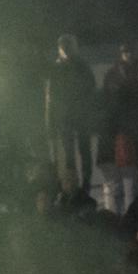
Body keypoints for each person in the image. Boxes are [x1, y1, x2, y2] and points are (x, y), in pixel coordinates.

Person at [97, 42, 138, 212]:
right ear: (121, 54)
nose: (128, 54)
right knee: (130, 170)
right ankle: (133, 205)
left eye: (131, 51)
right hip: (125, 126)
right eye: (126, 52)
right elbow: (109, 97)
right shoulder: (114, 73)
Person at [44, 34, 96, 189]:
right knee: (69, 154)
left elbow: (91, 91)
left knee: (82, 151)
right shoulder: (57, 68)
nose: (66, 50)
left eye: (68, 47)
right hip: (65, 117)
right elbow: (51, 97)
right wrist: (51, 120)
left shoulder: (82, 67)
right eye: (63, 47)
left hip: (80, 115)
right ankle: (72, 184)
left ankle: (85, 183)